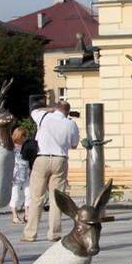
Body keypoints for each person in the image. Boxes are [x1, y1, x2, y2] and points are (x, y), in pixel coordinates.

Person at [22, 100, 80, 242]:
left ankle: (30, 234)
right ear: (68, 111)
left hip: (42, 158)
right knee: (56, 198)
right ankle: (54, 233)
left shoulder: (44, 116)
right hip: (60, 159)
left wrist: (51, 108)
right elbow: (74, 145)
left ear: (56, 108)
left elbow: (33, 111)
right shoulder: (71, 124)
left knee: (37, 197)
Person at [9, 127, 31, 224]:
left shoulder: (27, 147)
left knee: (29, 194)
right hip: (15, 175)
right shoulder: (12, 148)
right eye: (24, 136)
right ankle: (15, 215)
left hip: (26, 173)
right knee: (15, 195)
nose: (26, 138)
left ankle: (27, 214)